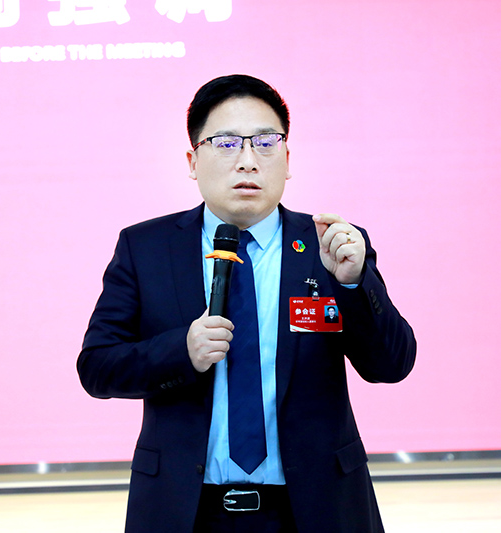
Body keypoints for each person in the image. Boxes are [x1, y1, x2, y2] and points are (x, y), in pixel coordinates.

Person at [78, 74, 416, 533]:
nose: (248, 161)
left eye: (265, 142)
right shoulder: (146, 248)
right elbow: (97, 367)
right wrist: (182, 350)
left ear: (287, 159)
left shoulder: (330, 246)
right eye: (226, 143)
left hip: (317, 511)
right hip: (185, 513)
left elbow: (392, 365)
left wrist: (355, 284)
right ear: (192, 161)